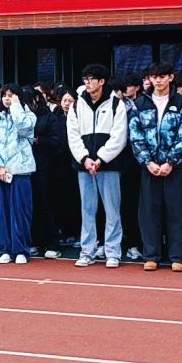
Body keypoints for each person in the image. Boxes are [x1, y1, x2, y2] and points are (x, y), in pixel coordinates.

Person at [128, 63, 182, 271]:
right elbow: (135, 135)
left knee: (178, 211)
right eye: (154, 77)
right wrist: (148, 161)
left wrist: (170, 161)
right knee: (149, 212)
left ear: (171, 78)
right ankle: (151, 255)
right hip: (150, 167)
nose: (158, 81)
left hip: (176, 167)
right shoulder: (140, 104)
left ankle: (178, 256)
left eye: (162, 76)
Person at [69, 63, 129, 268]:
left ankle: (113, 252)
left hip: (109, 165)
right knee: (87, 209)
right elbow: (73, 135)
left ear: (101, 81)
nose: (87, 83)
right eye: (85, 79)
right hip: (84, 166)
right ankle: (87, 251)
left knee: (112, 210)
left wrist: (101, 158)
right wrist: (85, 158)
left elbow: (119, 136)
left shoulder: (116, 104)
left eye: (91, 79)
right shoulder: (77, 105)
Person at [0, 83, 37, 263]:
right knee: (1, 212)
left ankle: (21, 250)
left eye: (11, 95)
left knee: (20, 212)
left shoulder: (28, 116)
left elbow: (23, 128)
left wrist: (16, 107)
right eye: (5, 95)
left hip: (20, 171)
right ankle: (5, 249)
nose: (7, 99)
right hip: (0, 173)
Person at [31, 86, 76, 258]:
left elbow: (57, 142)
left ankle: (51, 243)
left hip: (47, 168)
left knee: (45, 205)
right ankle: (34, 241)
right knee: (30, 206)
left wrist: (39, 141)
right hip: (25, 168)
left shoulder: (50, 118)